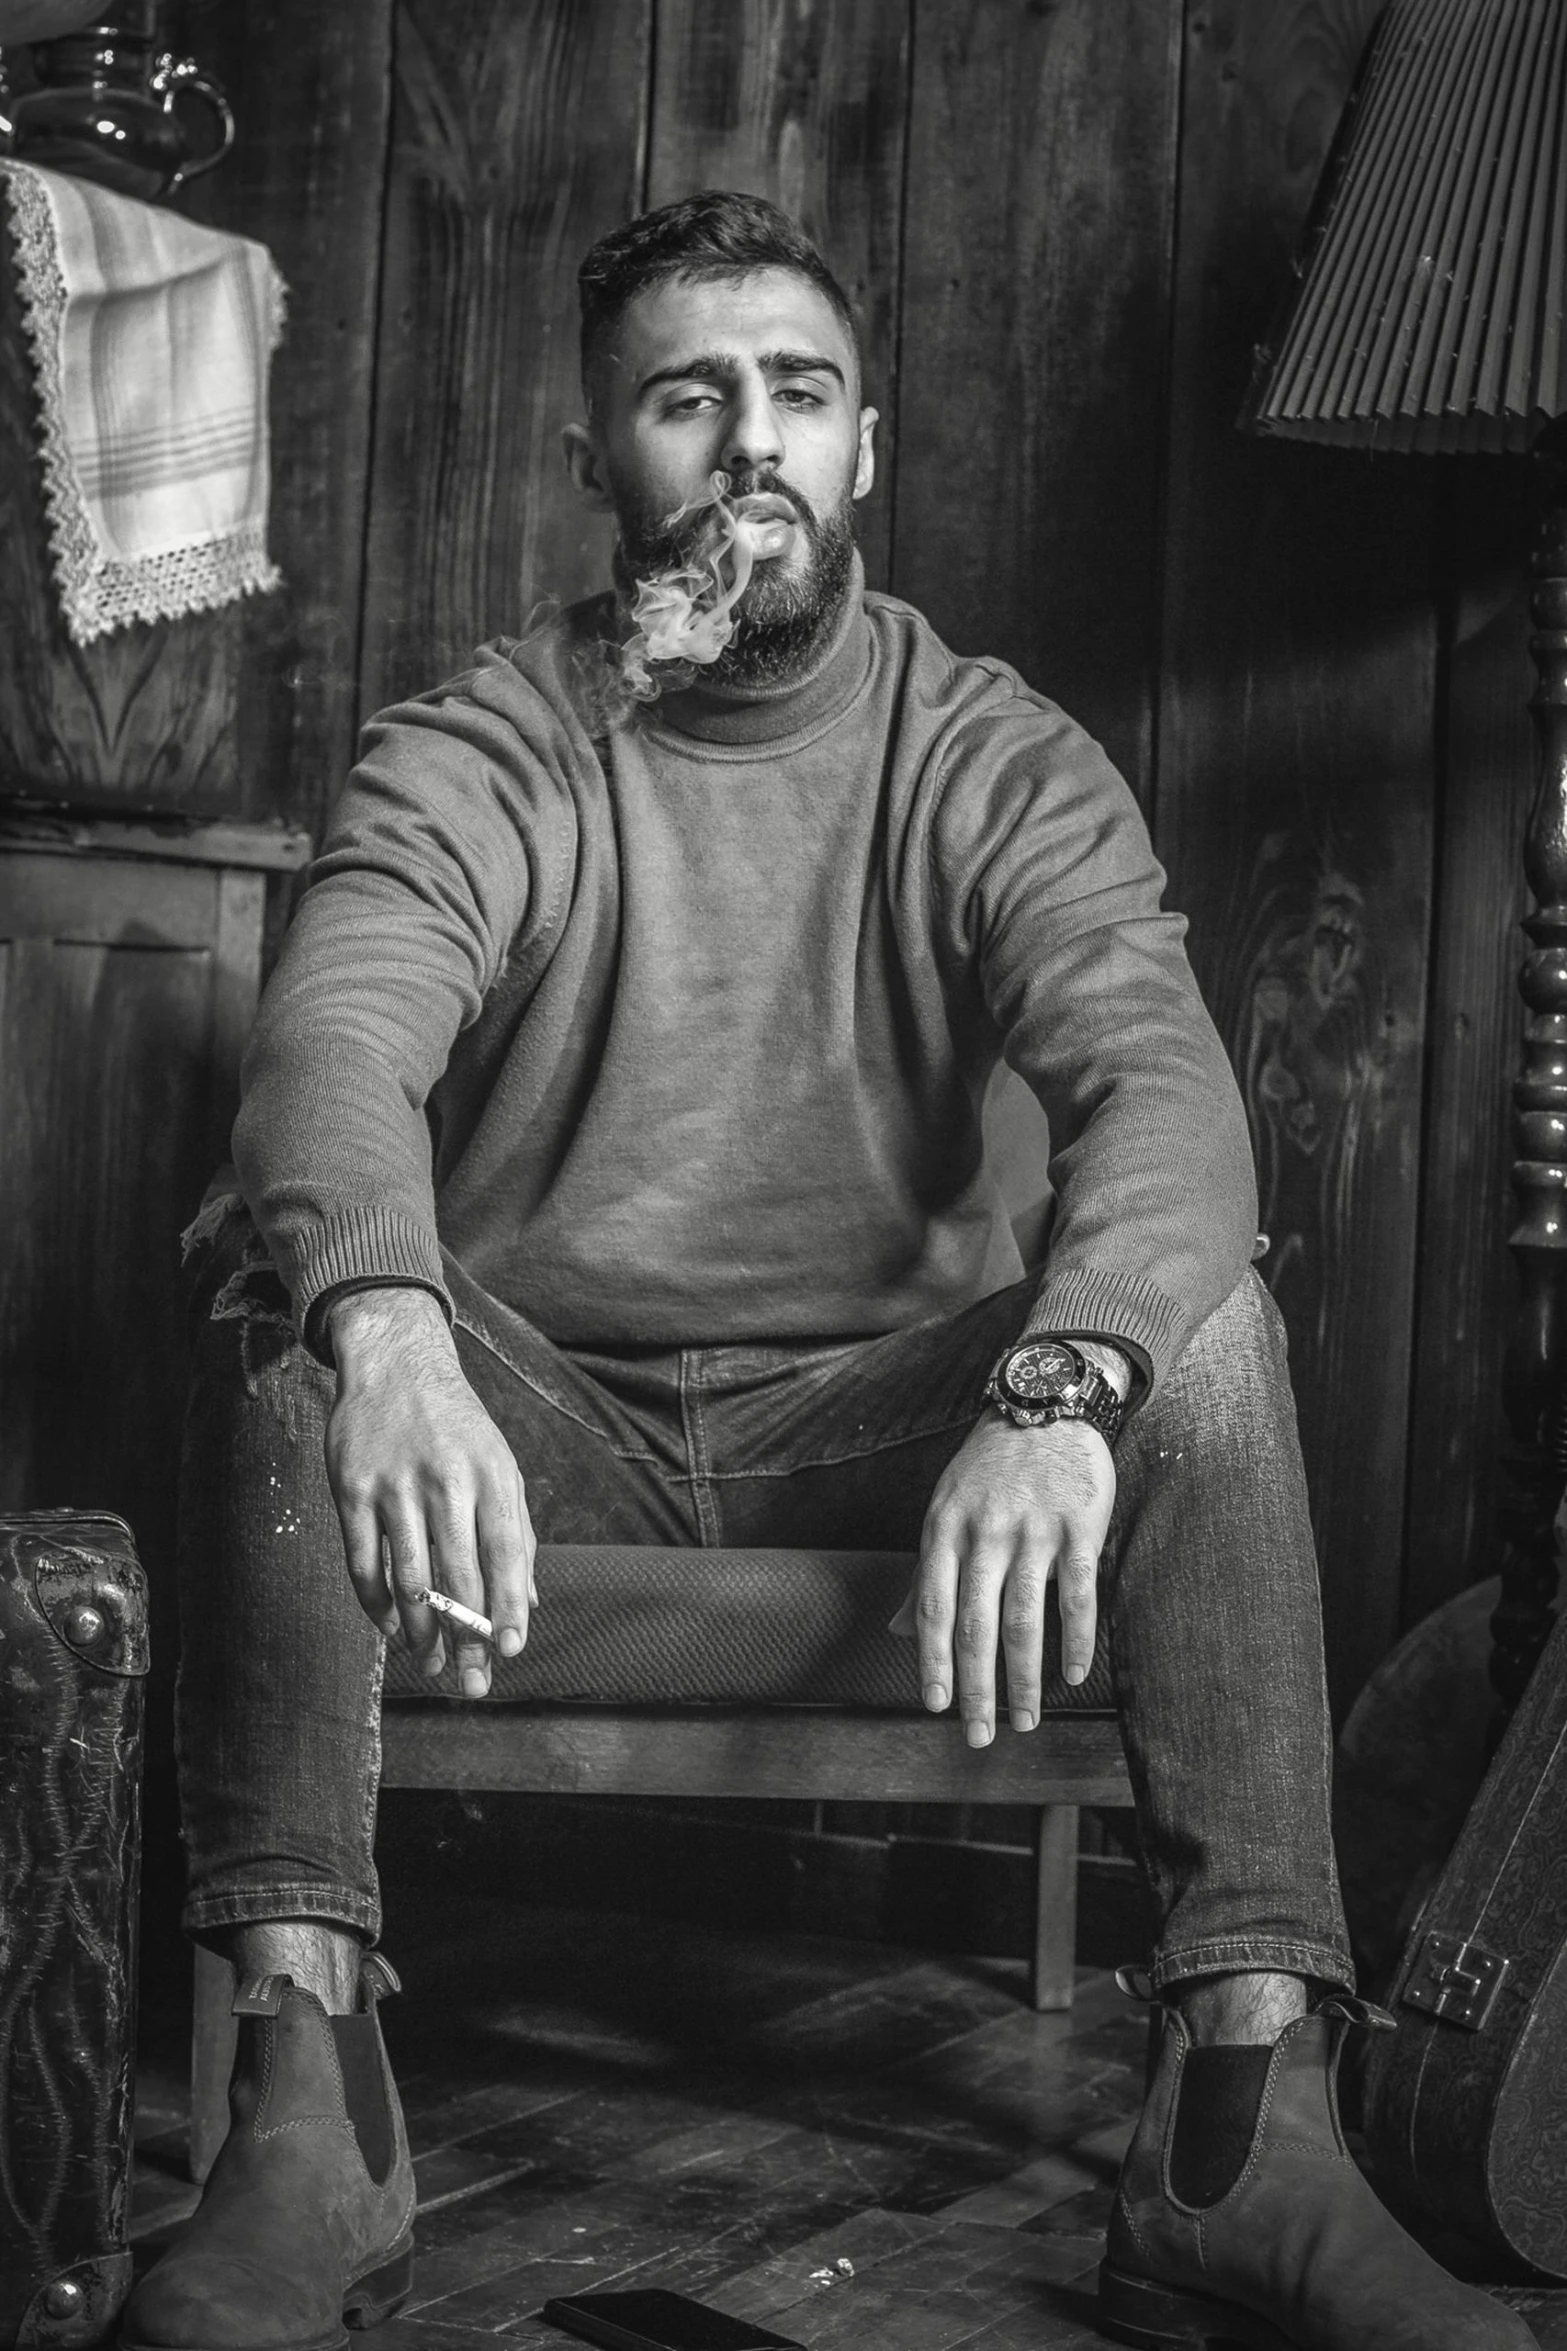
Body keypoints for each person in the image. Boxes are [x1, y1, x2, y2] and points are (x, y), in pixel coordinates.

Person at [120, 193, 1531, 2351]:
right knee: (283, 1311)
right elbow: (335, 1032)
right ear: (605, 459)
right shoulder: (493, 738)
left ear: (868, 447)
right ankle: (311, 2104)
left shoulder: (991, 752)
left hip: (887, 1418)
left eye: (799, 394)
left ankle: (1245, 2129)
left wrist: (1059, 1389)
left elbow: (1162, 1085)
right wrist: (391, 1329)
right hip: (543, 1430)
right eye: (691, 400)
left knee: (1208, 1319)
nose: (750, 444)